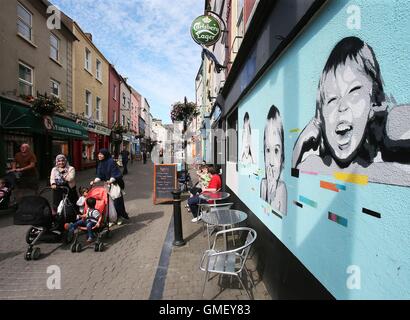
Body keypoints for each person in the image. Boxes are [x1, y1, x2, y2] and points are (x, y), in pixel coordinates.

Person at [292, 36, 410, 186]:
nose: (341, 106)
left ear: (373, 103)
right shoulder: (313, 164)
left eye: (353, 92)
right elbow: (294, 178)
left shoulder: (392, 135)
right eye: (331, 99)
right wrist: (303, 140)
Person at [260, 105, 287, 215]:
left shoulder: (282, 189)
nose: (271, 162)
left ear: (282, 157)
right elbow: (264, 214)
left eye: (276, 150)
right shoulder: (263, 184)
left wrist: (273, 191)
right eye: (267, 150)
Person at [91, 148, 129, 224]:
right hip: (107, 185)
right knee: (108, 203)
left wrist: (111, 180)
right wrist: (95, 181)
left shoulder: (111, 162)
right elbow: (100, 175)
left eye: (101, 154)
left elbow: (115, 173)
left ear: (105, 155)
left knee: (117, 202)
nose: (99, 155)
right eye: (99, 154)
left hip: (114, 184)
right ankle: (111, 218)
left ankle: (119, 216)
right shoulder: (101, 163)